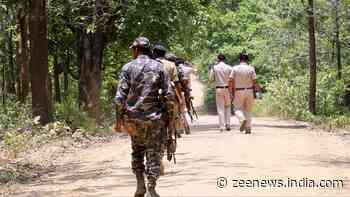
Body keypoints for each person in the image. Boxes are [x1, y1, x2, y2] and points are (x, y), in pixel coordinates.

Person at [115, 37, 175, 197]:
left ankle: (140, 183)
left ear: (135, 49)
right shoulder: (159, 67)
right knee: (153, 153)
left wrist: (118, 120)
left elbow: (120, 98)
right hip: (154, 119)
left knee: (137, 151)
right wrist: (170, 118)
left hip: (133, 120)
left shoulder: (127, 68)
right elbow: (169, 95)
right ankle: (152, 187)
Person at [229, 53, 259, 134]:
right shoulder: (251, 68)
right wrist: (258, 91)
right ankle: (248, 128)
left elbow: (231, 80)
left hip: (238, 91)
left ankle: (242, 119)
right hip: (249, 91)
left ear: (239, 60)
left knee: (237, 108)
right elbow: (255, 81)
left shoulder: (235, 68)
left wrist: (230, 91)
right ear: (247, 60)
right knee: (248, 110)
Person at [209, 54, 232, 132]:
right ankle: (228, 124)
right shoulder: (229, 67)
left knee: (220, 108)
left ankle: (222, 126)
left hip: (219, 88)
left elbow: (211, 78)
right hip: (227, 89)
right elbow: (232, 79)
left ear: (218, 59)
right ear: (225, 59)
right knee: (228, 106)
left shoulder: (214, 67)